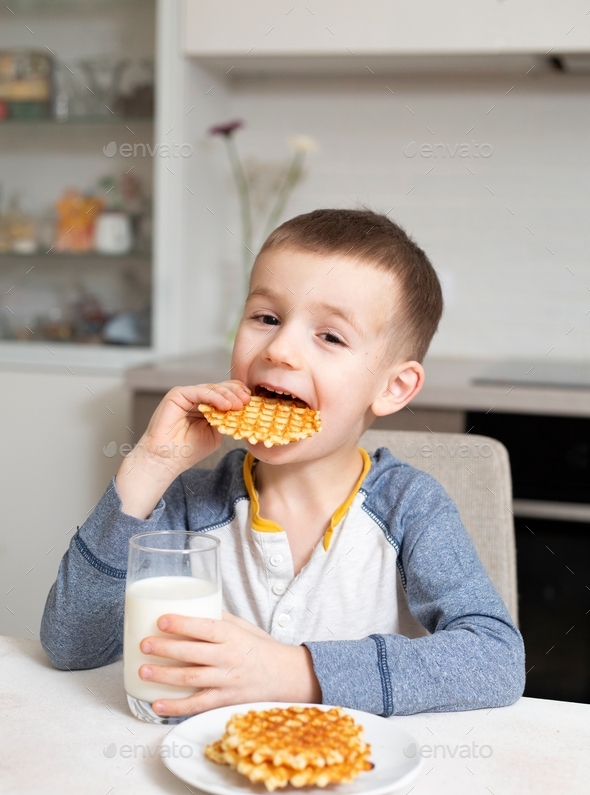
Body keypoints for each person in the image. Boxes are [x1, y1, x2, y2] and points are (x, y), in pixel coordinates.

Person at [40, 208, 525, 720]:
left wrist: (295, 672)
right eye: (267, 318)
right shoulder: (190, 505)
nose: (281, 349)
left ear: (393, 387)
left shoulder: (409, 508)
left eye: (330, 336)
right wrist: (148, 466)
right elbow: (73, 646)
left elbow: (495, 659)